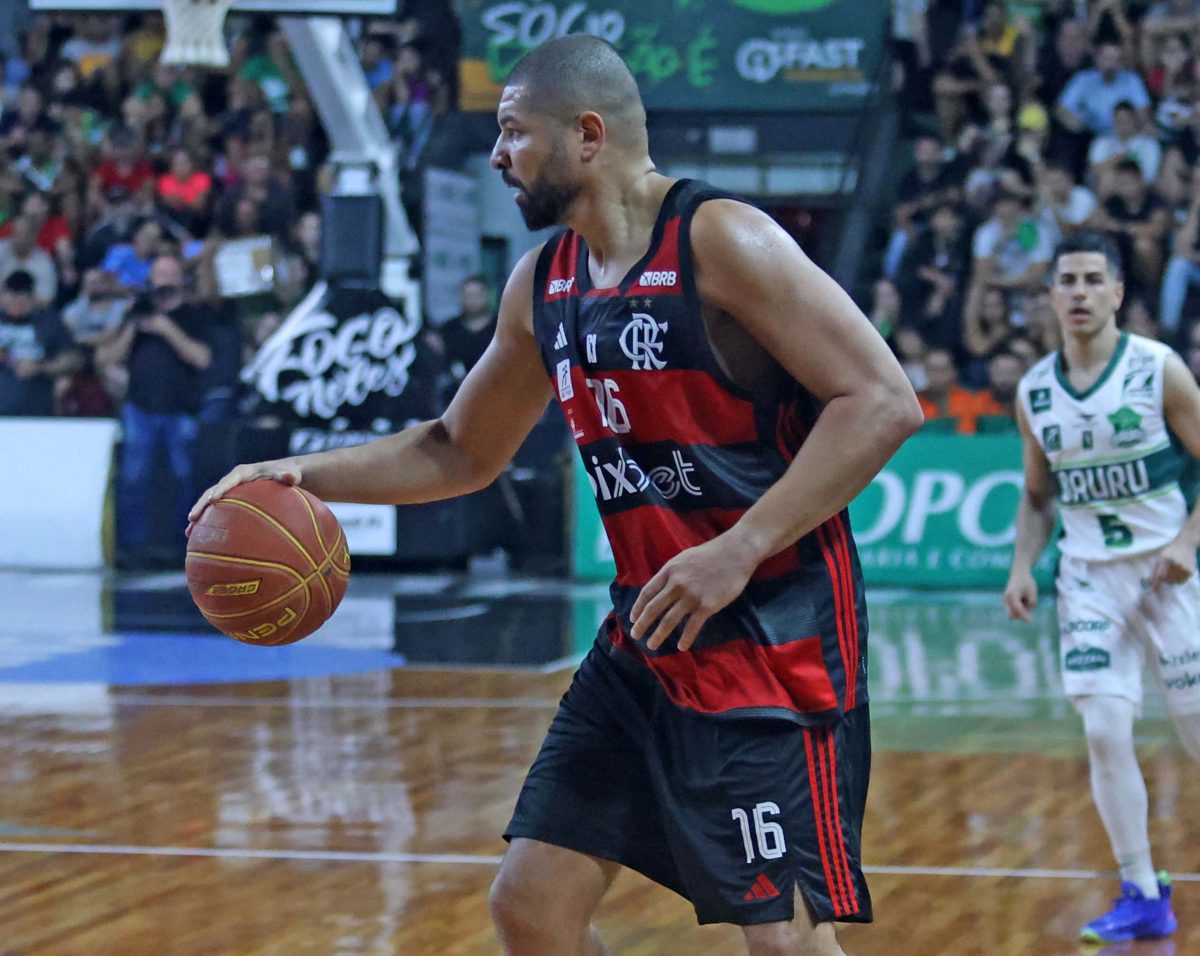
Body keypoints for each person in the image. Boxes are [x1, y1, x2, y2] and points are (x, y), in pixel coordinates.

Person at [189, 35, 923, 956]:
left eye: (511, 132)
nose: (496, 154)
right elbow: (459, 449)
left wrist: (740, 546)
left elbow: (883, 401)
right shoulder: (543, 283)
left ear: (587, 133)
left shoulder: (721, 241)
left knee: (779, 939)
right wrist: (297, 475)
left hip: (770, 644)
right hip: (647, 639)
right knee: (530, 906)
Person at [1005, 232, 1200, 944]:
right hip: (1090, 580)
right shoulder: (1034, 391)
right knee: (1104, 730)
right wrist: (1022, 566)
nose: (1080, 292)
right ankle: (1143, 891)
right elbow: (1036, 496)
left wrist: (1185, 540)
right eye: (1068, 280)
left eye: (1094, 280)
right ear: (1052, 295)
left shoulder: (1159, 370)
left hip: (1169, 575)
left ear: (1118, 293)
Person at [109, 255, 213, 565]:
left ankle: (185, 546)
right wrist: (133, 324)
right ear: (150, 281)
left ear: (181, 279)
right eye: (159, 275)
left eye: (171, 274)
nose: (165, 281)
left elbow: (202, 358)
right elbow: (110, 357)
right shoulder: (138, 316)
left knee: (185, 477)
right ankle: (132, 547)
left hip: (180, 410)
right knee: (133, 477)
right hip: (139, 408)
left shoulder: (192, 316)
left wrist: (164, 327)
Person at [0, 269, 80, 416]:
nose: (17, 303)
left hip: (34, 401)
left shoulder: (48, 321)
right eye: (12, 297)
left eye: (22, 298)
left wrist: (40, 367)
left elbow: (73, 359)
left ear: (32, 298)